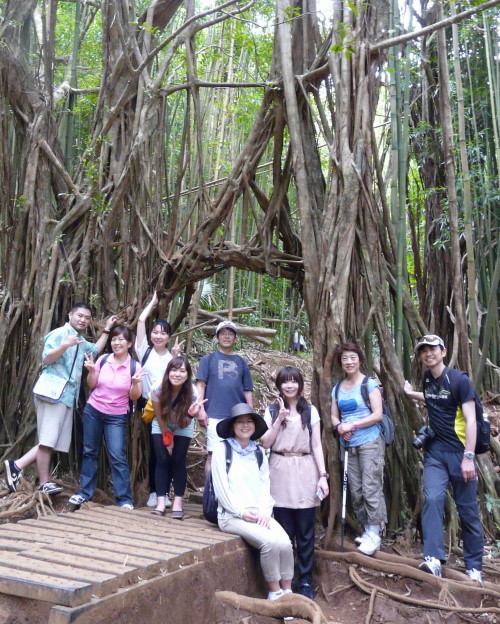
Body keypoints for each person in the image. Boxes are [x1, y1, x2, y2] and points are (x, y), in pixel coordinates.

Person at [4, 304, 117, 495]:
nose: (83, 320)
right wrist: (65, 345)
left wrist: (106, 329)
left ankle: (17, 465)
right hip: (52, 392)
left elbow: (94, 350)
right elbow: (46, 358)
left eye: (87, 318)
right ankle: (43, 482)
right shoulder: (59, 333)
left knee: (54, 442)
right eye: (80, 316)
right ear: (70, 314)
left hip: (67, 396)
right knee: (48, 440)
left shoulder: (80, 340)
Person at [403, 335, 484, 582]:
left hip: (461, 453)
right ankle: (433, 559)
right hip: (435, 453)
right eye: (424, 351)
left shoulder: (460, 380)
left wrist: (469, 457)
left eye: (433, 349)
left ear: (444, 351)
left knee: (468, 509)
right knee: (433, 498)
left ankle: (474, 567)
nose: (429, 354)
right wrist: (410, 393)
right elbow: (433, 399)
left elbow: (471, 420)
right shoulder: (428, 379)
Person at [212, 403, 294, 604]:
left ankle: (288, 591)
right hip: (231, 516)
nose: (245, 425)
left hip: (259, 513)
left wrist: (265, 512)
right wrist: (241, 512)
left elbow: (265, 485)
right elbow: (221, 489)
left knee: (285, 543)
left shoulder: (258, 452)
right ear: (233, 426)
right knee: (269, 543)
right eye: (240, 422)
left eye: (249, 421)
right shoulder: (221, 450)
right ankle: (274, 593)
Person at [261, 366, 329, 598]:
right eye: (285, 382)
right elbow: (266, 443)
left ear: (300, 384)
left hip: (305, 469)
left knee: (306, 531)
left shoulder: (310, 410)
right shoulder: (271, 410)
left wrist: (323, 475)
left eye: (294, 381)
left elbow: (317, 445)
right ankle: (283, 581)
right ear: (279, 385)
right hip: (279, 469)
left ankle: (306, 581)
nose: (290, 386)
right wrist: (279, 419)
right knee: (283, 531)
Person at [68, 326, 145, 510]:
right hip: (93, 411)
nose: (116, 343)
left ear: (129, 343)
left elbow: (134, 397)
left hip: (116, 417)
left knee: (117, 456)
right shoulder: (103, 359)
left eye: (121, 340)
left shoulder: (134, 366)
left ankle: (124, 499)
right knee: (89, 452)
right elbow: (92, 385)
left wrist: (134, 383)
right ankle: (84, 493)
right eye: (113, 339)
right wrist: (92, 372)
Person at [330, 342, 386, 556]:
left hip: (369, 441)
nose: (349, 362)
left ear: (360, 360)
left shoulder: (369, 384)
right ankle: (366, 529)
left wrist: (352, 425)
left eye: (353, 357)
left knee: (370, 487)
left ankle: (374, 534)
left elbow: (377, 414)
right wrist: (339, 427)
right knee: (356, 490)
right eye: (345, 358)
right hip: (348, 445)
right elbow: (335, 415)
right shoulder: (337, 388)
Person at [135, 291, 183, 508]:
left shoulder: (173, 358)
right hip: (145, 406)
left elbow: (180, 379)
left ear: (169, 337)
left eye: (163, 333)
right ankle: (155, 491)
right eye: (155, 332)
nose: (158, 336)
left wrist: (175, 357)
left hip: (168, 408)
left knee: (167, 449)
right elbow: (140, 320)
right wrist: (152, 303)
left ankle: (164, 491)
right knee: (154, 450)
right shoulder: (143, 351)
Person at [150, 356, 206, 518]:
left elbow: (185, 423)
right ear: (168, 373)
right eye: (173, 370)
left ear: (187, 375)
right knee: (162, 460)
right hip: (162, 424)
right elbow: (159, 416)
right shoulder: (157, 389)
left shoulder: (193, 393)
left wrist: (189, 414)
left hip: (183, 425)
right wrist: (167, 439)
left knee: (178, 461)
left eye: (182, 371)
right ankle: (161, 502)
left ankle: (178, 503)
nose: (177, 374)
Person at [196, 321, 253, 474]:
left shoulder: (241, 362)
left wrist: (250, 415)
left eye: (230, 334)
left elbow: (248, 391)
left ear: (235, 339)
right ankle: (211, 493)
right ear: (216, 337)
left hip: (238, 417)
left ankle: (231, 493)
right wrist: (201, 409)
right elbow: (200, 385)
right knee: (213, 455)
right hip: (214, 414)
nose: (226, 336)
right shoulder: (208, 359)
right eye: (223, 333)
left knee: (237, 455)